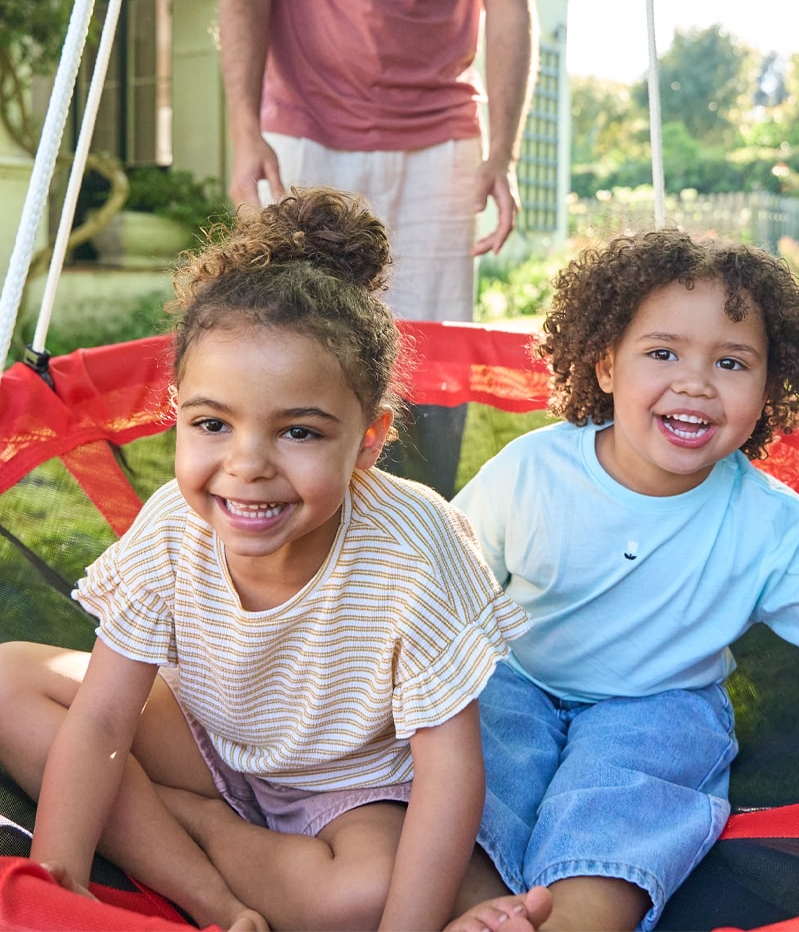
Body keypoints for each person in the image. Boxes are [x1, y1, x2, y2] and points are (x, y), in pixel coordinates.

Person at [0, 188, 529, 931]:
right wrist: (55, 894)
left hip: (347, 792)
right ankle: (215, 895)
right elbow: (102, 721)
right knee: (8, 683)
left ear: (369, 439)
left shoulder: (415, 548)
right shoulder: (171, 531)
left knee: (362, 899)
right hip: (203, 744)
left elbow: (450, 775)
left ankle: (198, 832)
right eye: (213, 423)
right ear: (176, 409)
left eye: (300, 433)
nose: (246, 465)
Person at [443, 228, 799, 932]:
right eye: (663, 352)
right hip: (517, 674)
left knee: (627, 797)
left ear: (769, 387)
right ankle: (471, 912)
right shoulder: (532, 474)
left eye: (732, 363)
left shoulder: (773, 526)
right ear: (606, 363)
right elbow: (438, 592)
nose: (696, 383)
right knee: (477, 756)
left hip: (661, 702)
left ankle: (576, 920)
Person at [217, 0, 540, 500]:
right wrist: (244, 128)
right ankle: (283, 511)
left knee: (433, 353)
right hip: (304, 122)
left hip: (440, 131)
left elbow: (510, 10)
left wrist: (503, 153)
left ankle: (419, 523)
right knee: (292, 328)